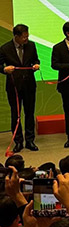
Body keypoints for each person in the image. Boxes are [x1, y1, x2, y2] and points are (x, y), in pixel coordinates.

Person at [0, 24, 40, 152]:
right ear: (16, 36)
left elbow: (36, 60)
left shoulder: (31, 46)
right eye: (24, 37)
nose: (26, 39)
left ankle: (30, 140)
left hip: (29, 84)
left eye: (27, 36)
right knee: (15, 114)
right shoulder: (5, 48)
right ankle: (18, 141)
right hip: (14, 86)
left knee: (29, 113)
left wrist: (36, 65)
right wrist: (5, 69)